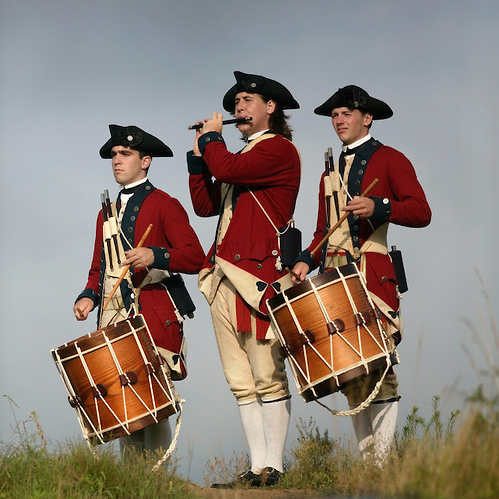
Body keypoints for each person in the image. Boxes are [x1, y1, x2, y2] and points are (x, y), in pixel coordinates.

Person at [291, 85, 431, 461]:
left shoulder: (390, 159)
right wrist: (306, 258)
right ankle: (367, 463)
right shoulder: (328, 173)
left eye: (346, 113)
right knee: (350, 372)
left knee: (380, 366)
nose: (339, 120)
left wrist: (381, 206)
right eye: (334, 115)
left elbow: (421, 211)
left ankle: (383, 464)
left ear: (366, 118)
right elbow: (324, 230)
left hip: (373, 275)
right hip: (334, 277)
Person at [187, 71, 301, 487]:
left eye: (246, 100)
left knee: (266, 373)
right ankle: (255, 468)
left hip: (257, 277)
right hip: (222, 277)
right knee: (240, 380)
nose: (238, 108)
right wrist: (197, 153)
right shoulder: (242, 160)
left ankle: (274, 467)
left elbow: (228, 165)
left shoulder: (278, 150)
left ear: (270, 108)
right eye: (236, 103)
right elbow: (204, 204)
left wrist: (212, 140)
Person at [73, 124, 205, 457]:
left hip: (154, 314)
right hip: (114, 316)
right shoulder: (106, 212)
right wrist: (88, 296)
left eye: (125, 154)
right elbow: (98, 269)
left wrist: (156, 254)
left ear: (145, 161)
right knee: (123, 403)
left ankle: (156, 483)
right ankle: (136, 484)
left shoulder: (164, 204)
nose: (117, 160)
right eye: (114, 155)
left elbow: (195, 256)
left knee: (151, 400)